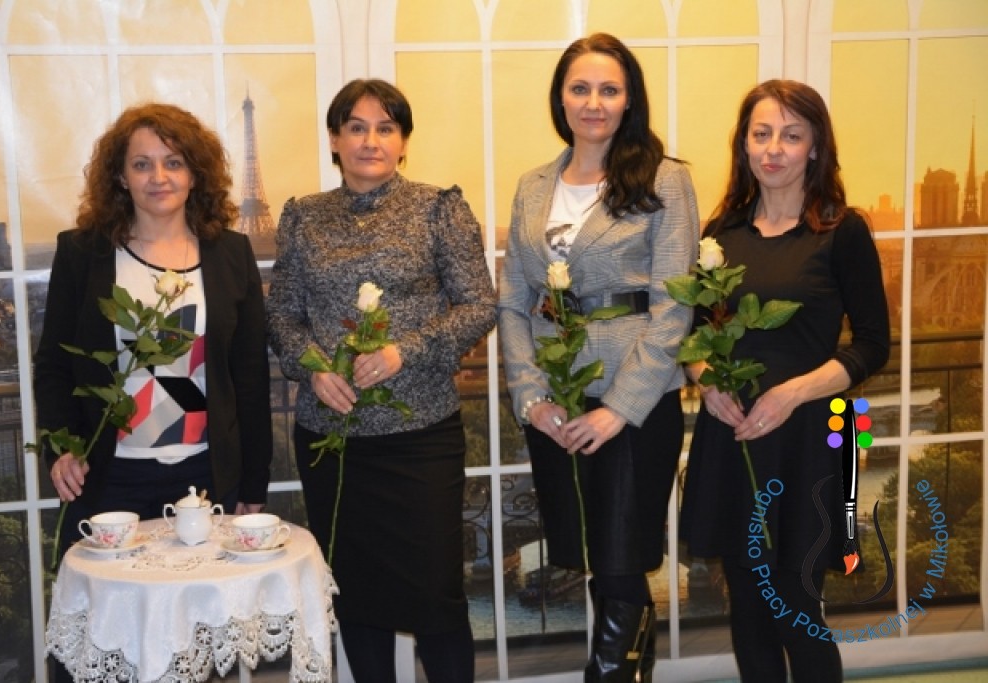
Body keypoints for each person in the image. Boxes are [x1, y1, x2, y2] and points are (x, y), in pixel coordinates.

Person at [266, 79, 495, 683]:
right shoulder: (302, 216)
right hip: (332, 441)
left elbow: (479, 305)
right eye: (357, 127)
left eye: (386, 128)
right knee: (355, 596)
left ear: (404, 142)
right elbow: (281, 315)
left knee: (437, 599)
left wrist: (404, 353)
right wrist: (313, 367)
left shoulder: (439, 208)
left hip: (420, 439)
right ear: (334, 140)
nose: (371, 140)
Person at [498, 33, 699, 681]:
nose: (593, 102)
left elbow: (674, 305)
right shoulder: (533, 185)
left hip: (633, 402)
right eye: (580, 88)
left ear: (629, 99)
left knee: (620, 558)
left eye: (609, 89)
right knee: (593, 557)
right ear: (560, 97)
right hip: (556, 402)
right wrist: (532, 397)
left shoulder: (666, 179)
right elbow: (513, 303)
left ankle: (607, 673)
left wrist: (618, 408)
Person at [679, 80, 890, 683]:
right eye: (762, 133)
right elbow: (693, 334)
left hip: (808, 442)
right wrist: (706, 381)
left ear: (815, 147)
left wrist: (793, 392)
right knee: (747, 609)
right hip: (735, 438)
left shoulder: (842, 230)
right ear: (744, 144)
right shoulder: (721, 233)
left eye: (791, 136)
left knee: (796, 608)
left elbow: (873, 343)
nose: (774, 149)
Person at [35, 102, 272, 554]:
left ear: (195, 174)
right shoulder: (83, 254)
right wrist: (60, 448)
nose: (158, 177)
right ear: (121, 177)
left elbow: (249, 377)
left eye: (174, 163)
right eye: (142, 164)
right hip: (107, 478)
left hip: (206, 478)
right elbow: (54, 365)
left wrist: (254, 481)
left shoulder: (230, 253)